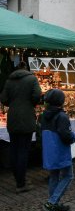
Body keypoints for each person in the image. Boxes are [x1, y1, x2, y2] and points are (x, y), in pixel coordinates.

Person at [0, 61, 41, 194]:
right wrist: (30, 103)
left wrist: (13, 103)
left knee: (14, 149)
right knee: (23, 151)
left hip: (12, 117)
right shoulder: (32, 79)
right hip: (26, 117)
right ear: (27, 69)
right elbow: (37, 95)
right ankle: (21, 183)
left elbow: (3, 98)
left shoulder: (9, 80)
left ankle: (19, 179)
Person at [41, 89, 75, 211]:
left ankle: (53, 204)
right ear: (61, 101)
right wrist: (74, 137)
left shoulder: (44, 115)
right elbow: (66, 135)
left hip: (49, 151)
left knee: (54, 176)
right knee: (68, 175)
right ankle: (51, 202)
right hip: (60, 150)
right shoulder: (61, 116)